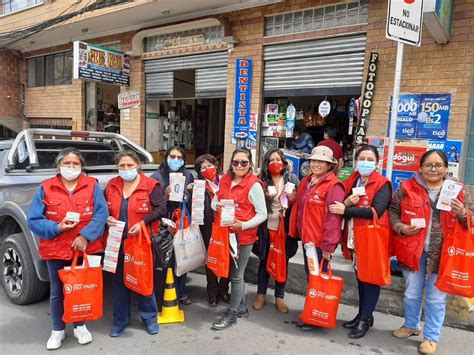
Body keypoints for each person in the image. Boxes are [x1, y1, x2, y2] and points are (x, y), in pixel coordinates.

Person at [388, 150, 473, 354]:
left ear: (445, 168)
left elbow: (471, 219)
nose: (433, 169)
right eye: (428, 165)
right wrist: (401, 227)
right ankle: (411, 325)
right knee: (411, 293)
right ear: (421, 167)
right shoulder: (407, 187)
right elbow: (393, 211)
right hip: (413, 250)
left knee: (435, 298)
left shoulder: (459, 190)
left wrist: (463, 213)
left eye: (438, 165)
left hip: (444, 253)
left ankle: (431, 337)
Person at [27, 148, 108, 350]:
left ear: (81, 166)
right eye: (67, 164)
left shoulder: (92, 186)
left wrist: (85, 236)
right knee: (57, 291)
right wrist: (57, 227)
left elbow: (101, 213)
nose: (71, 167)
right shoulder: (47, 187)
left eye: (75, 164)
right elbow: (34, 220)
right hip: (56, 249)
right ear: (58, 166)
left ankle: (80, 326)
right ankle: (57, 330)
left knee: (80, 289)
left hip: (83, 249)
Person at [328, 145, 391, 338]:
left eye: (370, 159)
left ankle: (365, 319)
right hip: (354, 237)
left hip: (371, 238)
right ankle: (364, 314)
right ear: (356, 161)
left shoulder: (383, 183)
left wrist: (346, 210)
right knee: (361, 277)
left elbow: (376, 211)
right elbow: (342, 200)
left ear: (377, 162)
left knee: (370, 279)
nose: (365, 162)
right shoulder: (352, 179)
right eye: (361, 158)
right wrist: (346, 204)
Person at [105, 151, 167, 337]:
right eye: (122, 166)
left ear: (138, 165)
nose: (125, 169)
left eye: (129, 166)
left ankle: (150, 319)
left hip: (141, 242)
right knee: (119, 284)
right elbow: (103, 209)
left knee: (143, 280)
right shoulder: (112, 185)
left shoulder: (150, 185)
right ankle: (119, 322)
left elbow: (161, 208)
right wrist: (107, 218)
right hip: (117, 242)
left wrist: (142, 223)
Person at [288, 146, 344, 331]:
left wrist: (329, 246)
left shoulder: (334, 186)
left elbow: (333, 218)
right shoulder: (307, 180)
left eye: (321, 161)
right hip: (308, 241)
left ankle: (315, 317)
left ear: (329, 165)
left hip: (320, 243)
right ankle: (312, 311)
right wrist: (292, 197)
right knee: (312, 277)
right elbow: (300, 205)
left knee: (317, 279)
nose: (316, 164)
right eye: (313, 160)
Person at [211, 148, 267, 330]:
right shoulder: (225, 180)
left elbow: (262, 214)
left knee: (236, 276)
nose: (240, 166)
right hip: (226, 234)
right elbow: (214, 200)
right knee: (234, 273)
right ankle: (241, 307)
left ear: (250, 164)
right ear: (231, 164)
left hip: (244, 237)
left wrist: (242, 225)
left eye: (244, 162)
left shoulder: (254, 185)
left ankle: (232, 313)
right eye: (236, 162)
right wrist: (216, 204)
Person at [253, 148, 299, 314]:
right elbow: (251, 202)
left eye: (278, 160)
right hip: (266, 228)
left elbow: (300, 203)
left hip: (284, 229)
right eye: (271, 160)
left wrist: (294, 199)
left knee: (282, 262)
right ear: (266, 163)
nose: (275, 163)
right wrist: (262, 197)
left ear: (284, 162)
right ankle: (260, 294)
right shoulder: (261, 180)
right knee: (264, 262)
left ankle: (280, 297)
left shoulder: (292, 179)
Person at [151, 146, 194, 305]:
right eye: (172, 156)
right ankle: (169, 292)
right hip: (164, 224)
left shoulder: (188, 175)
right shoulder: (157, 176)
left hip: (182, 222)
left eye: (179, 157)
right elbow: (151, 202)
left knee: (183, 258)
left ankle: (182, 292)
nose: (175, 160)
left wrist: (188, 194)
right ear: (166, 157)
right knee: (167, 261)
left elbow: (191, 199)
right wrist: (165, 196)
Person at [193, 154, 230, 307]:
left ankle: (223, 289)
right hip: (209, 227)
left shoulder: (226, 180)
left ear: (216, 165)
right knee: (211, 259)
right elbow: (195, 208)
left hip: (228, 225)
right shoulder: (199, 185)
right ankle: (212, 292)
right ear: (199, 172)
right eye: (203, 167)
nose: (207, 169)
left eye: (209, 165)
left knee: (228, 258)